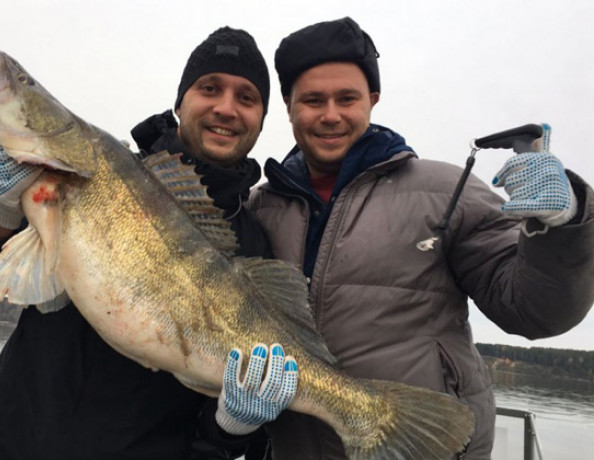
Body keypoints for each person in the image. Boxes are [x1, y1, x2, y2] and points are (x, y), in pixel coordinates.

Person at [0, 26, 295, 460]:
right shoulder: (96, 176)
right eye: (210, 88)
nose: (226, 108)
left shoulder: (252, 242)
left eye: (247, 97)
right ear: (181, 101)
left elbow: (219, 444)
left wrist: (231, 426)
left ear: (261, 117)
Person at [248, 17, 594, 459]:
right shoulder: (260, 206)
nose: (331, 114)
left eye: (347, 98)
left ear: (372, 101)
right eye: (313, 100)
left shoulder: (446, 191)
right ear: (290, 106)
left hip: (423, 446)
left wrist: (560, 228)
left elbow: (535, 312)